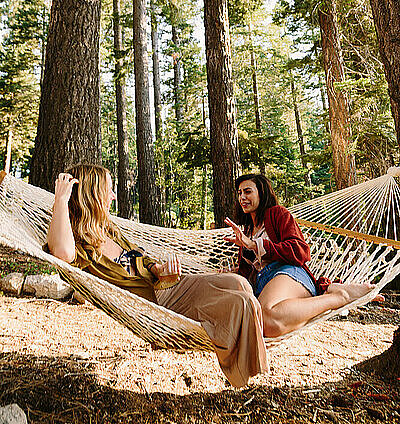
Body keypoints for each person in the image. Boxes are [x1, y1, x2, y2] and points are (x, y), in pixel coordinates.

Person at [45, 164, 268, 388]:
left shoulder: (108, 230)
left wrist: (159, 270)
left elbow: (140, 258)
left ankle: (246, 350)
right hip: (159, 306)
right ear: (91, 196)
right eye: (109, 191)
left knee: (238, 282)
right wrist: (61, 201)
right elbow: (62, 253)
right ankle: (245, 375)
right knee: (242, 302)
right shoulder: (79, 244)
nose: (113, 196)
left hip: (167, 286)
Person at [224, 173, 384, 339]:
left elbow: (300, 250)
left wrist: (253, 245)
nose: (242, 197)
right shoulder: (247, 230)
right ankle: (324, 295)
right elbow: (249, 273)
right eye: (239, 193)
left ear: (261, 192)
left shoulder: (277, 214)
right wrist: (231, 272)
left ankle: (340, 298)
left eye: (248, 191)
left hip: (288, 272)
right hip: (265, 283)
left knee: (264, 319)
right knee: (264, 325)